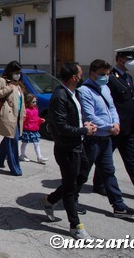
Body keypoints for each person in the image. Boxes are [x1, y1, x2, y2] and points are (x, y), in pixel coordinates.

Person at [77, 59, 134, 218]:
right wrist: (109, 126)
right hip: (93, 139)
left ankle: (118, 206)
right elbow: (89, 115)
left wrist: (116, 123)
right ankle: (70, 199)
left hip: (106, 138)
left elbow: (112, 108)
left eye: (107, 74)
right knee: (81, 174)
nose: (106, 77)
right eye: (102, 74)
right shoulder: (84, 91)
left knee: (108, 172)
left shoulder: (105, 88)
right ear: (92, 74)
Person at [40, 62, 97, 240]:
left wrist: (84, 125)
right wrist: (84, 131)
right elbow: (62, 127)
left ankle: (50, 200)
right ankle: (75, 226)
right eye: (80, 74)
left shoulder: (72, 93)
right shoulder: (59, 96)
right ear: (74, 78)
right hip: (67, 148)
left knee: (81, 177)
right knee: (71, 187)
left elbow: (74, 119)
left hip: (78, 145)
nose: (82, 77)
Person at [92, 45, 134, 201]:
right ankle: (98, 184)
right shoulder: (110, 78)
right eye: (129, 59)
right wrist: (108, 123)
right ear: (120, 59)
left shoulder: (128, 78)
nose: (132, 62)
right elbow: (106, 102)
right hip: (114, 128)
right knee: (105, 157)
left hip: (128, 128)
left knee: (131, 160)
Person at [0, 61, 26, 176]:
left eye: (19, 73)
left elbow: (21, 101)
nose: (18, 75)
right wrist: (7, 89)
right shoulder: (2, 81)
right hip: (8, 116)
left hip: (18, 117)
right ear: (10, 72)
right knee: (12, 141)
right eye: (16, 72)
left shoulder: (18, 84)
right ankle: (15, 167)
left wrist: (24, 113)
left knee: (9, 139)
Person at [19, 93, 48, 163]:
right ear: (28, 102)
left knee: (36, 143)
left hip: (34, 129)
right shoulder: (26, 110)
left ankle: (39, 157)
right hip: (27, 130)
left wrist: (40, 120)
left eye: (35, 102)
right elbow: (24, 120)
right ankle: (22, 155)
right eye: (33, 102)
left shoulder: (35, 110)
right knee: (25, 143)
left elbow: (36, 118)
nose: (35, 103)